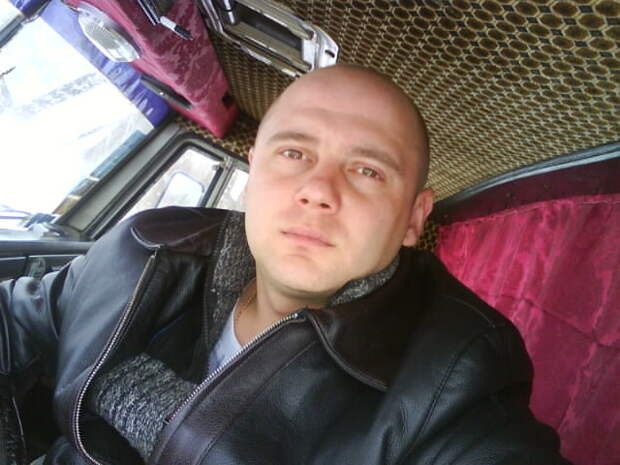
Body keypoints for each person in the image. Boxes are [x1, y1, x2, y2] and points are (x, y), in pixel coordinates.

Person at [0, 65, 571, 465]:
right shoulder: (145, 248)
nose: (318, 190)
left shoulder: (460, 376)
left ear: (413, 218)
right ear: (254, 172)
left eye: (367, 171)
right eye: (294, 153)